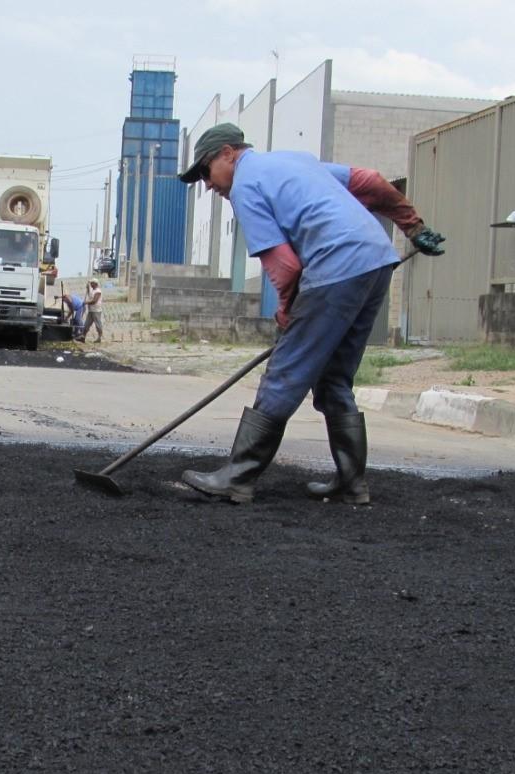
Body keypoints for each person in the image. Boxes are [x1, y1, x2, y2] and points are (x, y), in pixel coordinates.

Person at [176, 123, 446, 505]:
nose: (207, 184)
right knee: (334, 378)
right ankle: (352, 484)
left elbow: (284, 267)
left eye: (205, 171)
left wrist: (288, 311)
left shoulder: (244, 187)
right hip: (375, 261)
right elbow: (370, 182)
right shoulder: (294, 160)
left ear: (228, 153)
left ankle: (238, 477)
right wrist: (413, 226)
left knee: (285, 372)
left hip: (336, 268)